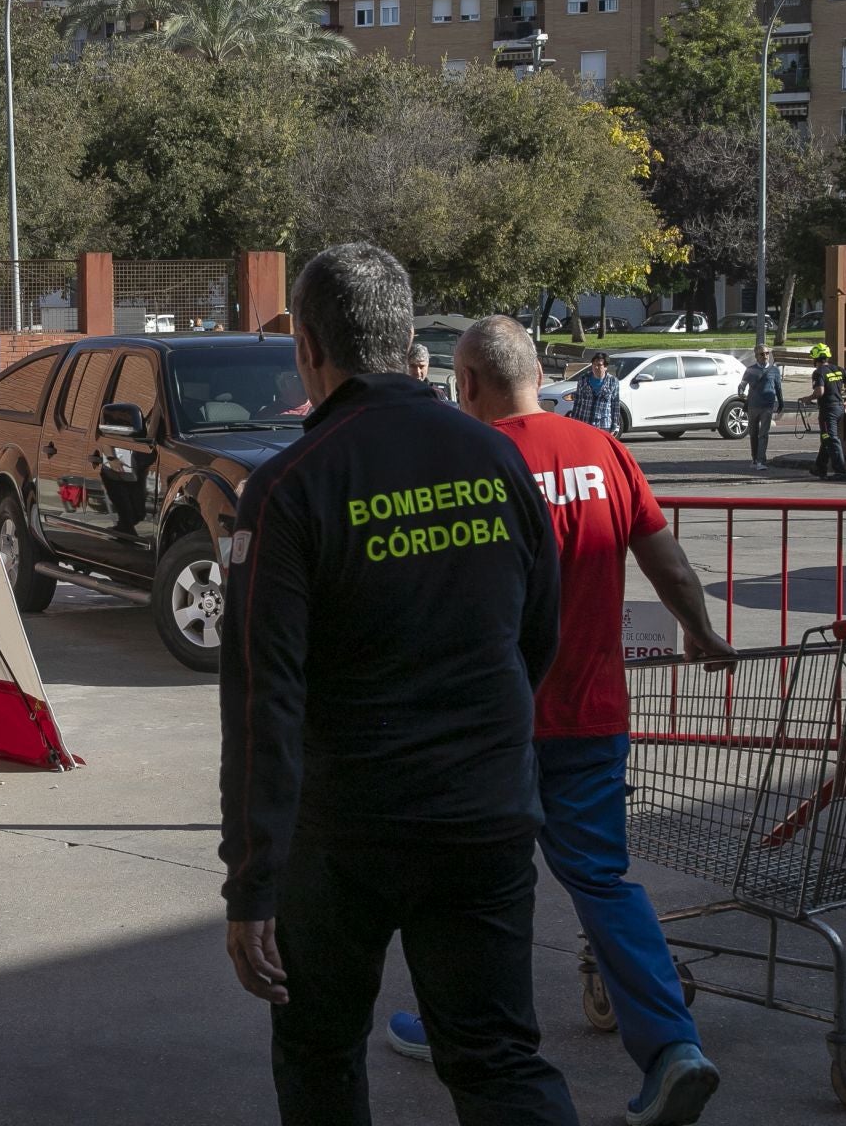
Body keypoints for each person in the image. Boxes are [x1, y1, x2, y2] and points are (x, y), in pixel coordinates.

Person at [219, 243, 577, 1126]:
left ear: (308, 346)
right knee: (496, 1059)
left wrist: (253, 880)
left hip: (346, 834)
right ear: (406, 339)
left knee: (321, 1052)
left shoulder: (290, 489)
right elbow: (537, 635)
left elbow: (265, 700)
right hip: (484, 814)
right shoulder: (496, 462)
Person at [388, 315, 734, 1126]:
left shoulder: (470, 460)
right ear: (540, 375)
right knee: (602, 880)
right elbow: (666, 560)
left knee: (466, 884)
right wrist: (702, 631)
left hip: (489, 725)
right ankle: (673, 1048)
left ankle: (457, 1030)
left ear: (466, 383)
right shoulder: (605, 452)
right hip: (591, 714)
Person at [809, 343, 846, 482]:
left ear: (815, 359)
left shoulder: (819, 372)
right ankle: (819, 467)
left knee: (832, 439)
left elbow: (819, 392)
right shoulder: (838, 369)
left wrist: (807, 398)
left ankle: (841, 471)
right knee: (826, 438)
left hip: (828, 411)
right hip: (839, 408)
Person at [737, 345, 784, 471]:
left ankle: (761, 460)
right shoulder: (750, 370)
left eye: (767, 353)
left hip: (767, 406)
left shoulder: (774, 370)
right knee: (753, 434)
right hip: (753, 406)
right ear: (756, 356)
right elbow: (742, 384)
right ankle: (754, 458)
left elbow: (778, 388)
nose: (765, 356)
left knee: (764, 434)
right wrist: (741, 392)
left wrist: (781, 403)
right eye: (762, 354)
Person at [570, 351, 620, 435]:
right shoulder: (583, 379)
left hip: (603, 425)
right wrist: (574, 421)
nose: (596, 367)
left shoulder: (613, 381)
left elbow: (615, 404)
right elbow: (577, 402)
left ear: (605, 367)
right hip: (585, 422)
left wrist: (615, 425)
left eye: (599, 365)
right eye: (594, 364)